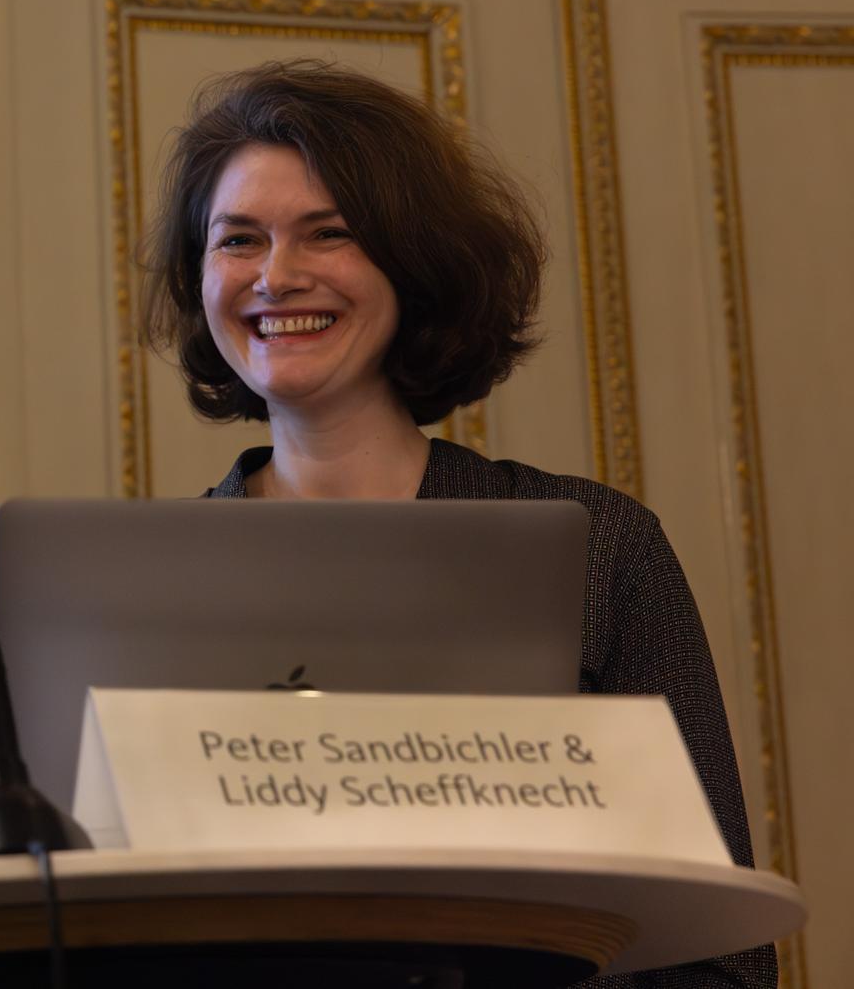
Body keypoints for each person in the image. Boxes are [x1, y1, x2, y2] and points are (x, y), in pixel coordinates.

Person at [141, 60, 774, 989]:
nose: (276, 276)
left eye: (329, 233)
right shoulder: (149, 586)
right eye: (239, 240)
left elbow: (719, 956)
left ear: (416, 264)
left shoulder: (600, 545)